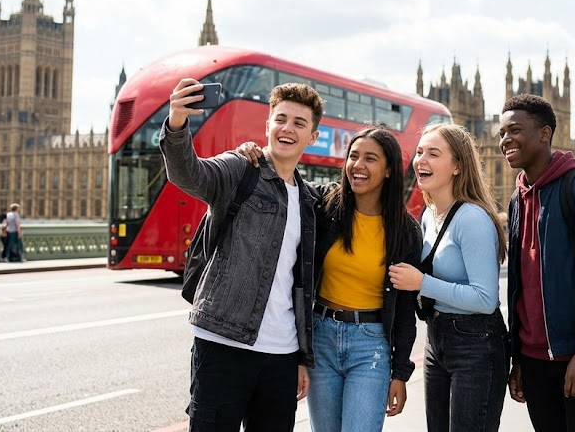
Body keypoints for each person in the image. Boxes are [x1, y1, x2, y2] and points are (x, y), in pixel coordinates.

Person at [160, 79, 322, 431]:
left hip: (282, 354)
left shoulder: (310, 201)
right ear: (267, 126)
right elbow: (188, 173)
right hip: (222, 344)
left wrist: (300, 358)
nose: (287, 129)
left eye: (299, 123)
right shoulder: (240, 169)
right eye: (280, 119)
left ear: (313, 136)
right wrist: (176, 123)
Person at [238, 128, 423, 431]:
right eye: (353, 156)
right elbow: (285, 181)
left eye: (370, 159)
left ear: (389, 169)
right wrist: (254, 153)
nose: (357, 165)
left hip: (370, 347)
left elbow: (404, 310)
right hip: (320, 339)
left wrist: (401, 373)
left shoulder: (406, 231)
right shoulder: (324, 206)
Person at [497, 94, 575, 432]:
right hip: (536, 361)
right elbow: (520, 286)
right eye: (500, 133)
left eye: (514, 130)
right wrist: (518, 357)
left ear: (544, 133)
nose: (505, 139)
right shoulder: (517, 200)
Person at [388, 123, 508, 432]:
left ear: (457, 166)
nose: (421, 160)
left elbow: (485, 299)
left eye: (433, 154)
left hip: (477, 343)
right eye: (419, 152)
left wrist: (421, 283)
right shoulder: (429, 215)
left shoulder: (472, 219)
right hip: (437, 337)